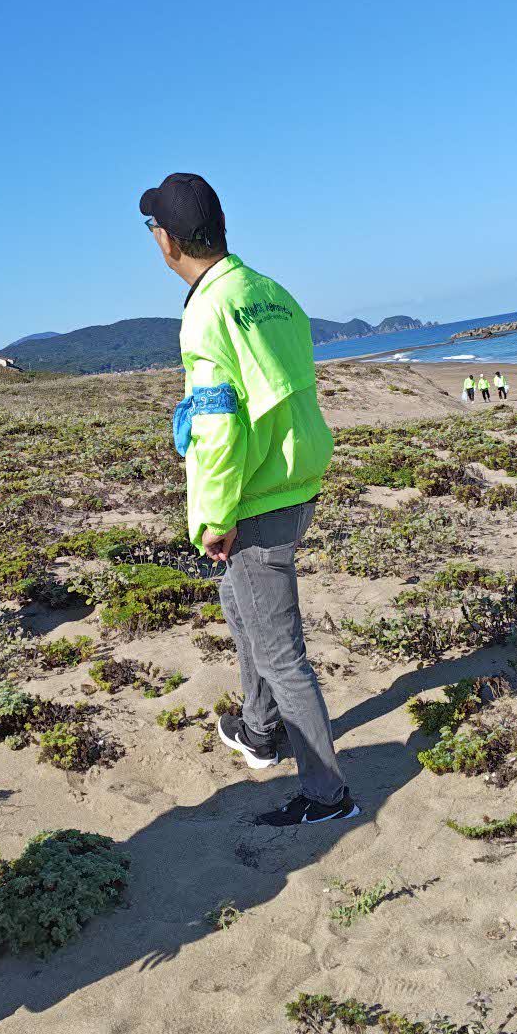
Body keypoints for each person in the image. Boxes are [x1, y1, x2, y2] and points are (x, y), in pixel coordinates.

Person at [141, 172, 357, 827]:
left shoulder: (207, 309)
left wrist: (212, 517)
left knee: (280, 647)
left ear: (168, 239)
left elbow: (217, 423)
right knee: (242, 608)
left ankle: (327, 794)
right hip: (296, 477)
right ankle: (261, 729)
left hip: (256, 492)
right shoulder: (271, 292)